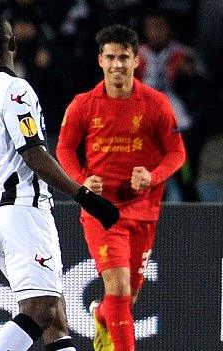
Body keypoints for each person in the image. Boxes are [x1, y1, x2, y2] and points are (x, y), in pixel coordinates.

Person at [0, 10, 119, 351]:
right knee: (40, 309)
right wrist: (85, 197)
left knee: (55, 319)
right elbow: (34, 154)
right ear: (12, 43)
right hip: (23, 210)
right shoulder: (15, 88)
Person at [56, 24, 186, 351]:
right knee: (119, 286)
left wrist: (153, 176)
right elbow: (64, 149)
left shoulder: (156, 104)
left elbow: (177, 151)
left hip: (143, 210)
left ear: (135, 61)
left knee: (127, 299)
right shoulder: (83, 105)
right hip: (102, 211)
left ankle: (101, 316)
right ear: (100, 60)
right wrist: (82, 181)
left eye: (124, 57)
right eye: (111, 57)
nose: (117, 64)